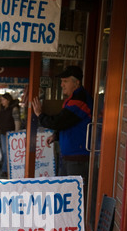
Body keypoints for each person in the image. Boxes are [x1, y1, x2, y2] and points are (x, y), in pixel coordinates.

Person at [32, 65, 93, 196]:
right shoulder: (75, 98)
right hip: (71, 155)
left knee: (74, 197)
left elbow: (60, 121)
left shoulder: (79, 99)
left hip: (77, 157)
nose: (61, 85)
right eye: (61, 81)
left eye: (65, 81)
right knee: (66, 195)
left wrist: (40, 115)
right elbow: (69, 122)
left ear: (76, 83)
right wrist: (56, 135)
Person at [0, 92, 21, 177]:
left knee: (8, 152)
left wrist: (16, 133)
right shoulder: (2, 109)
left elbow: (17, 121)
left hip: (11, 134)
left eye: (3, 100)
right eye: (1, 100)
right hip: (3, 133)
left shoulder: (14, 109)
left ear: (8, 100)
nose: (2, 101)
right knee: (5, 152)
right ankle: (6, 169)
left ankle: (6, 169)